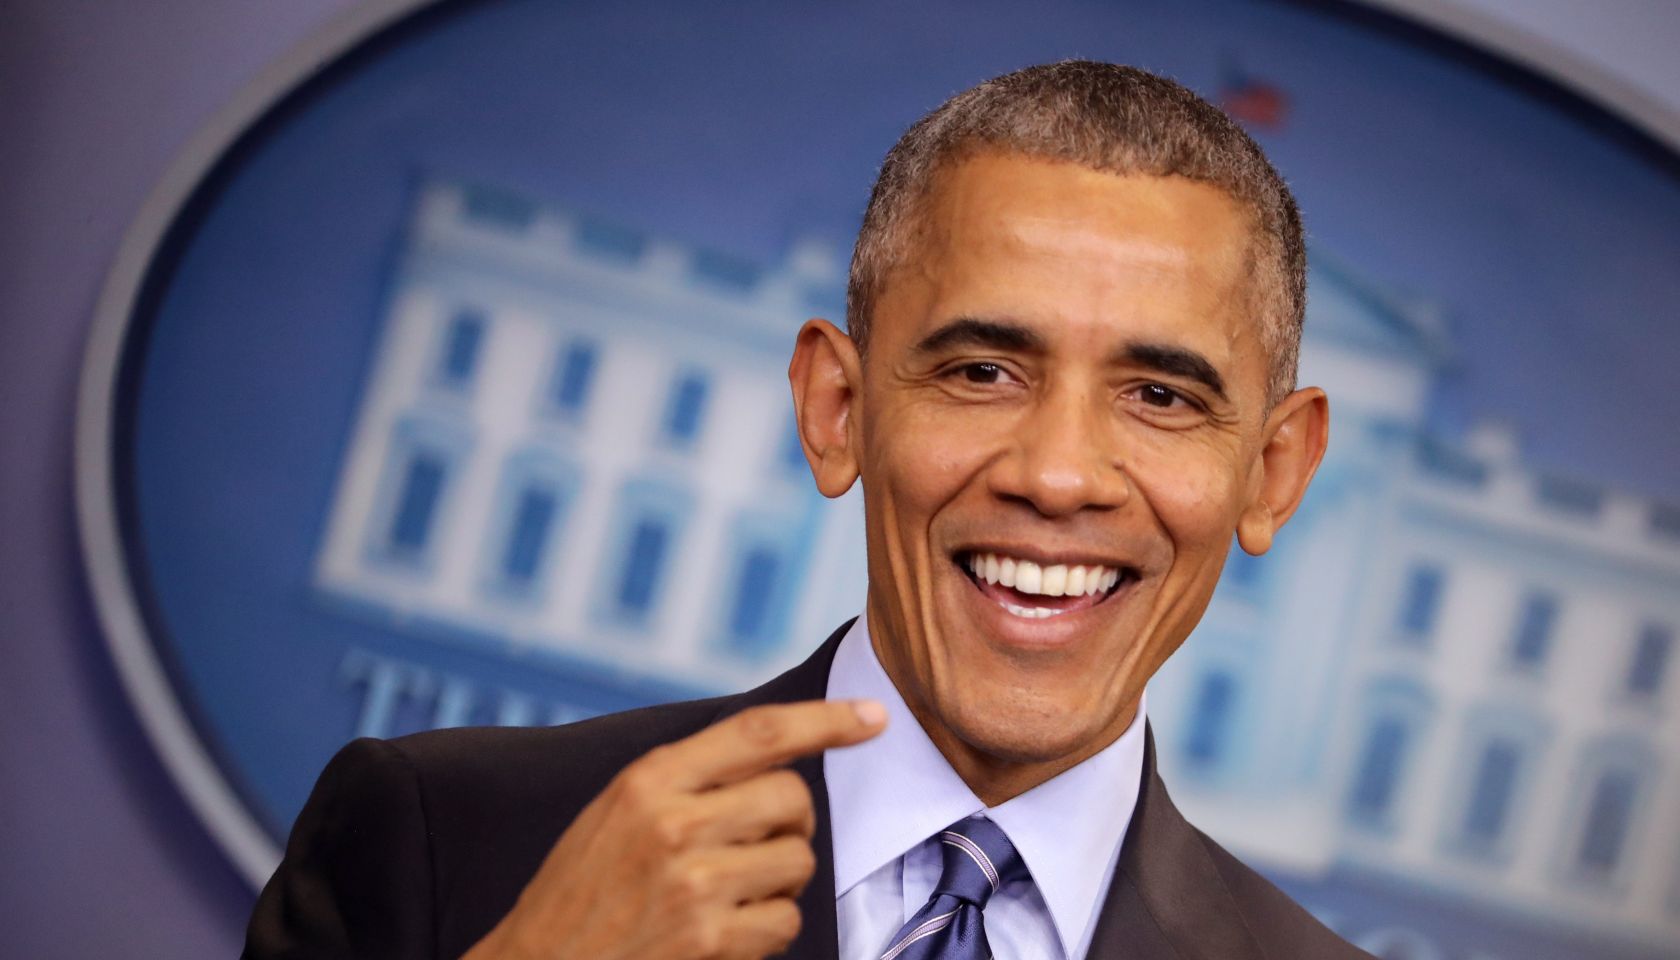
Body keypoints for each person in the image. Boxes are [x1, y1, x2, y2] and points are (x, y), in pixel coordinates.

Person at [244, 61, 1365, 960]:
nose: (1060, 474)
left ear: (1273, 471)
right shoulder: (442, 842)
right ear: (837, 408)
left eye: (1159, 397)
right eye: (982, 372)